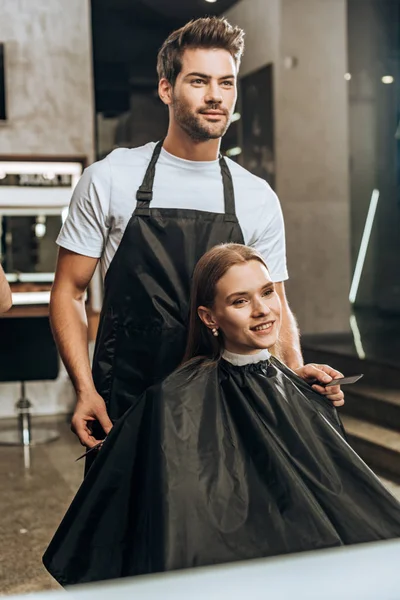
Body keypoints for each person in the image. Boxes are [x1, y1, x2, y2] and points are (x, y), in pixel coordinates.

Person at [50, 16, 338, 457]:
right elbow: (69, 291)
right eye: (199, 81)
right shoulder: (110, 179)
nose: (215, 96)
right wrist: (84, 390)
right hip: (130, 398)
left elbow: (274, 301)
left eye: (226, 83)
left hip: (231, 401)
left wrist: (293, 373)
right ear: (166, 88)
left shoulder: (255, 195)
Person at [43, 244, 400, 586]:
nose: (262, 310)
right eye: (240, 301)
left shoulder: (301, 387)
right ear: (209, 317)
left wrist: (308, 395)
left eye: (268, 292)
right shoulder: (175, 401)